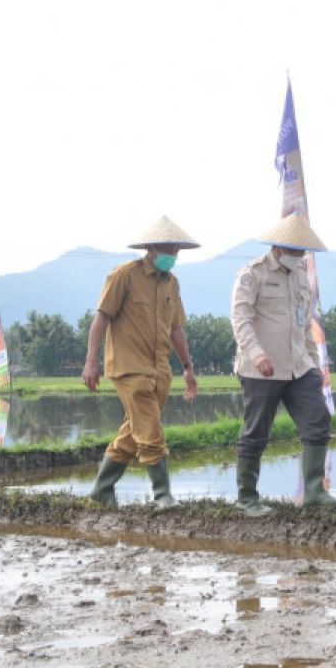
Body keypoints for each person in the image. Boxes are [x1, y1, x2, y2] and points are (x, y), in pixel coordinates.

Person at [230, 213, 336, 516]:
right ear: (279, 247)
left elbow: (305, 322)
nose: (300, 256)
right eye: (296, 250)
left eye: (303, 251)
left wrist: (315, 364)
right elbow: (240, 319)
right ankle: (246, 497)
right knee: (256, 431)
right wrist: (257, 354)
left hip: (299, 366)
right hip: (261, 368)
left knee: (318, 419)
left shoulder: (300, 277)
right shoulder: (252, 274)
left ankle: (314, 491)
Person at [82, 216, 200, 509]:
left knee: (136, 430)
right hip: (128, 366)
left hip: (160, 369)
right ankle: (163, 495)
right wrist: (91, 361)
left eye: (177, 250)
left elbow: (176, 329)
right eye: (168, 248)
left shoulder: (172, 283)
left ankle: (101, 489)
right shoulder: (124, 275)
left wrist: (188, 366)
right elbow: (102, 318)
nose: (173, 255)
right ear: (151, 248)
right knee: (150, 430)